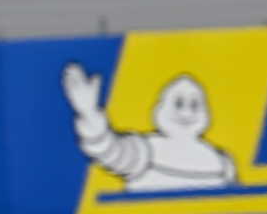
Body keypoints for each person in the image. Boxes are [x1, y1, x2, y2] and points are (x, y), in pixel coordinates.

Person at [61, 63, 236, 191]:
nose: (186, 113)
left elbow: (238, 204)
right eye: (178, 103)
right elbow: (108, 150)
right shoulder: (145, 150)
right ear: (162, 107)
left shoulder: (222, 163)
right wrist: (90, 114)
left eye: (194, 105)